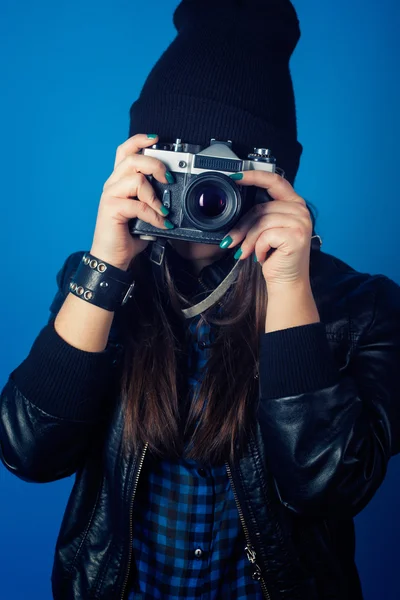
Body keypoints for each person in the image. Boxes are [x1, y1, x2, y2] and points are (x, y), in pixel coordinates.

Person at [1, 1, 400, 599]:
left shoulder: (360, 306)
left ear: (275, 178)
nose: (200, 198)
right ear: (143, 159)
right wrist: (105, 265)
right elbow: (28, 453)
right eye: (181, 166)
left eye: (225, 174)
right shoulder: (104, 283)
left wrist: (289, 285)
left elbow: (328, 489)